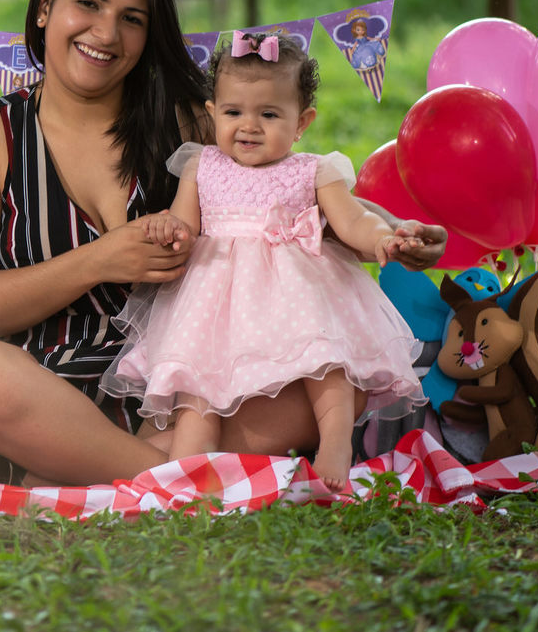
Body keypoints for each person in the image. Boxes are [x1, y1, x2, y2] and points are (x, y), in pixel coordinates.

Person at [0, 0, 446, 487]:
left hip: (180, 398)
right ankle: (175, 476)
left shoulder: (190, 124)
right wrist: (100, 260)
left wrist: (398, 235)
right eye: (89, 5)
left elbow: (301, 201)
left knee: (331, 377)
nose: (106, 33)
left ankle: (88, 476)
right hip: (37, 392)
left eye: (132, 19)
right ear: (45, 7)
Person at [98, 30, 427, 491]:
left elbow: (352, 220)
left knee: (326, 360)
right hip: (215, 303)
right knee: (197, 393)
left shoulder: (314, 170)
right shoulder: (201, 165)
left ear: (301, 122)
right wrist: (169, 229)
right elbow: (185, 223)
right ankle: (184, 479)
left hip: (299, 292)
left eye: (269, 114)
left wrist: (384, 239)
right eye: (233, 112)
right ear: (212, 112)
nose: (249, 126)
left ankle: (335, 444)